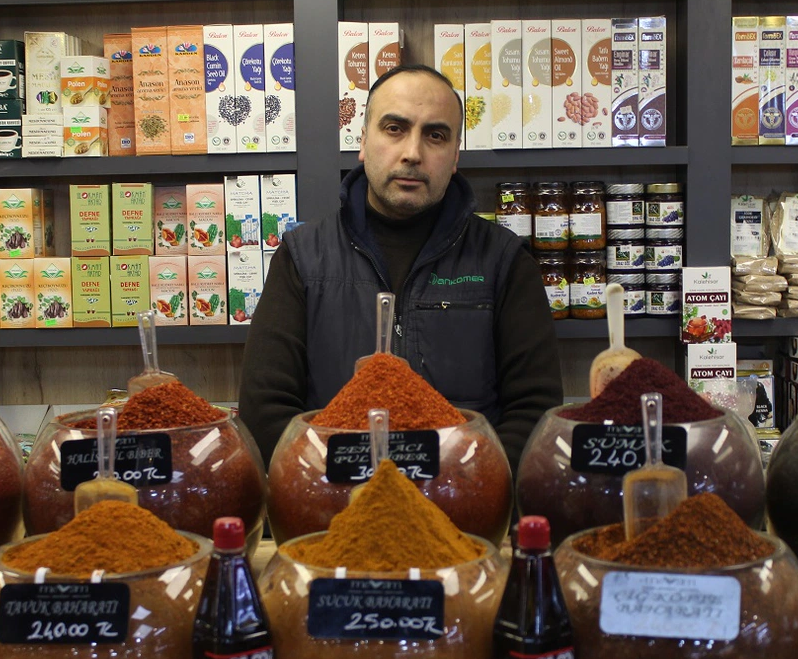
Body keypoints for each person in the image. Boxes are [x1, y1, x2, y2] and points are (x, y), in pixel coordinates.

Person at [239, 64, 563, 471]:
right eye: (394, 128)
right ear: (363, 141)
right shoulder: (302, 258)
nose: (413, 152)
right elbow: (266, 413)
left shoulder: (505, 262)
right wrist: (348, 483)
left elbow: (534, 414)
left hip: (463, 514)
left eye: (436, 135)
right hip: (330, 514)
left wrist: (449, 482)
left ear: (456, 155)